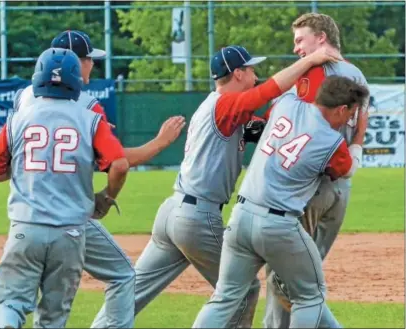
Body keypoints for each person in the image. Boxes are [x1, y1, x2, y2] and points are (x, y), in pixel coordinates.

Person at [91, 44, 341, 328]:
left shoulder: (216, 107)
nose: (255, 75)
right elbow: (268, 90)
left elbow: (263, 127)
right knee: (242, 291)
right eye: (250, 69)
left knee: (132, 291)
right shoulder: (225, 104)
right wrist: (310, 61)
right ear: (237, 74)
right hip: (197, 217)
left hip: (173, 211)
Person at [14, 30, 186, 328]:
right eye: (88, 60)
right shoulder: (87, 105)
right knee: (122, 275)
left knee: (22, 296)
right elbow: (119, 162)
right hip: (69, 214)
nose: (92, 65)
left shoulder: (23, 97)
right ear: (75, 63)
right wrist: (159, 143)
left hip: (25, 214)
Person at [192, 75, 369, 328]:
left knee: (224, 297)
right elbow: (348, 169)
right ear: (341, 109)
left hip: (241, 216)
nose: (349, 119)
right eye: (350, 113)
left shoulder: (287, 103)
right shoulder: (332, 142)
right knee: (309, 297)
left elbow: (274, 107)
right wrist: (359, 137)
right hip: (278, 226)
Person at [0, 48, 130, 328]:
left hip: (26, 227)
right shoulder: (90, 118)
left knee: (8, 303)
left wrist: (25, 169)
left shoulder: (19, 118)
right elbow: (120, 165)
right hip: (70, 233)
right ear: (75, 80)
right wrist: (107, 197)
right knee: (53, 318)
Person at [262, 13, 371, 328]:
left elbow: (306, 127)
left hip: (311, 187)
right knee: (305, 274)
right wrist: (356, 151)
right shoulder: (357, 73)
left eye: (300, 40)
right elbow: (363, 120)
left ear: (321, 38)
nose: (297, 48)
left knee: (284, 273)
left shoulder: (314, 73)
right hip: (341, 190)